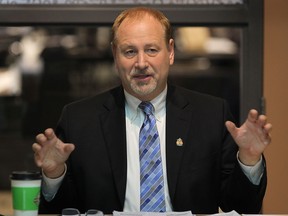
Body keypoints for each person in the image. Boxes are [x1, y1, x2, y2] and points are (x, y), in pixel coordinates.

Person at [32, 7, 272, 215]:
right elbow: (63, 211)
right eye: (129, 51)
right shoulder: (80, 119)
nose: (141, 63)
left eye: (151, 50)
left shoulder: (210, 114)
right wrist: (54, 175)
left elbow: (242, 207)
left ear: (170, 52)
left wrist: (249, 160)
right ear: (115, 55)